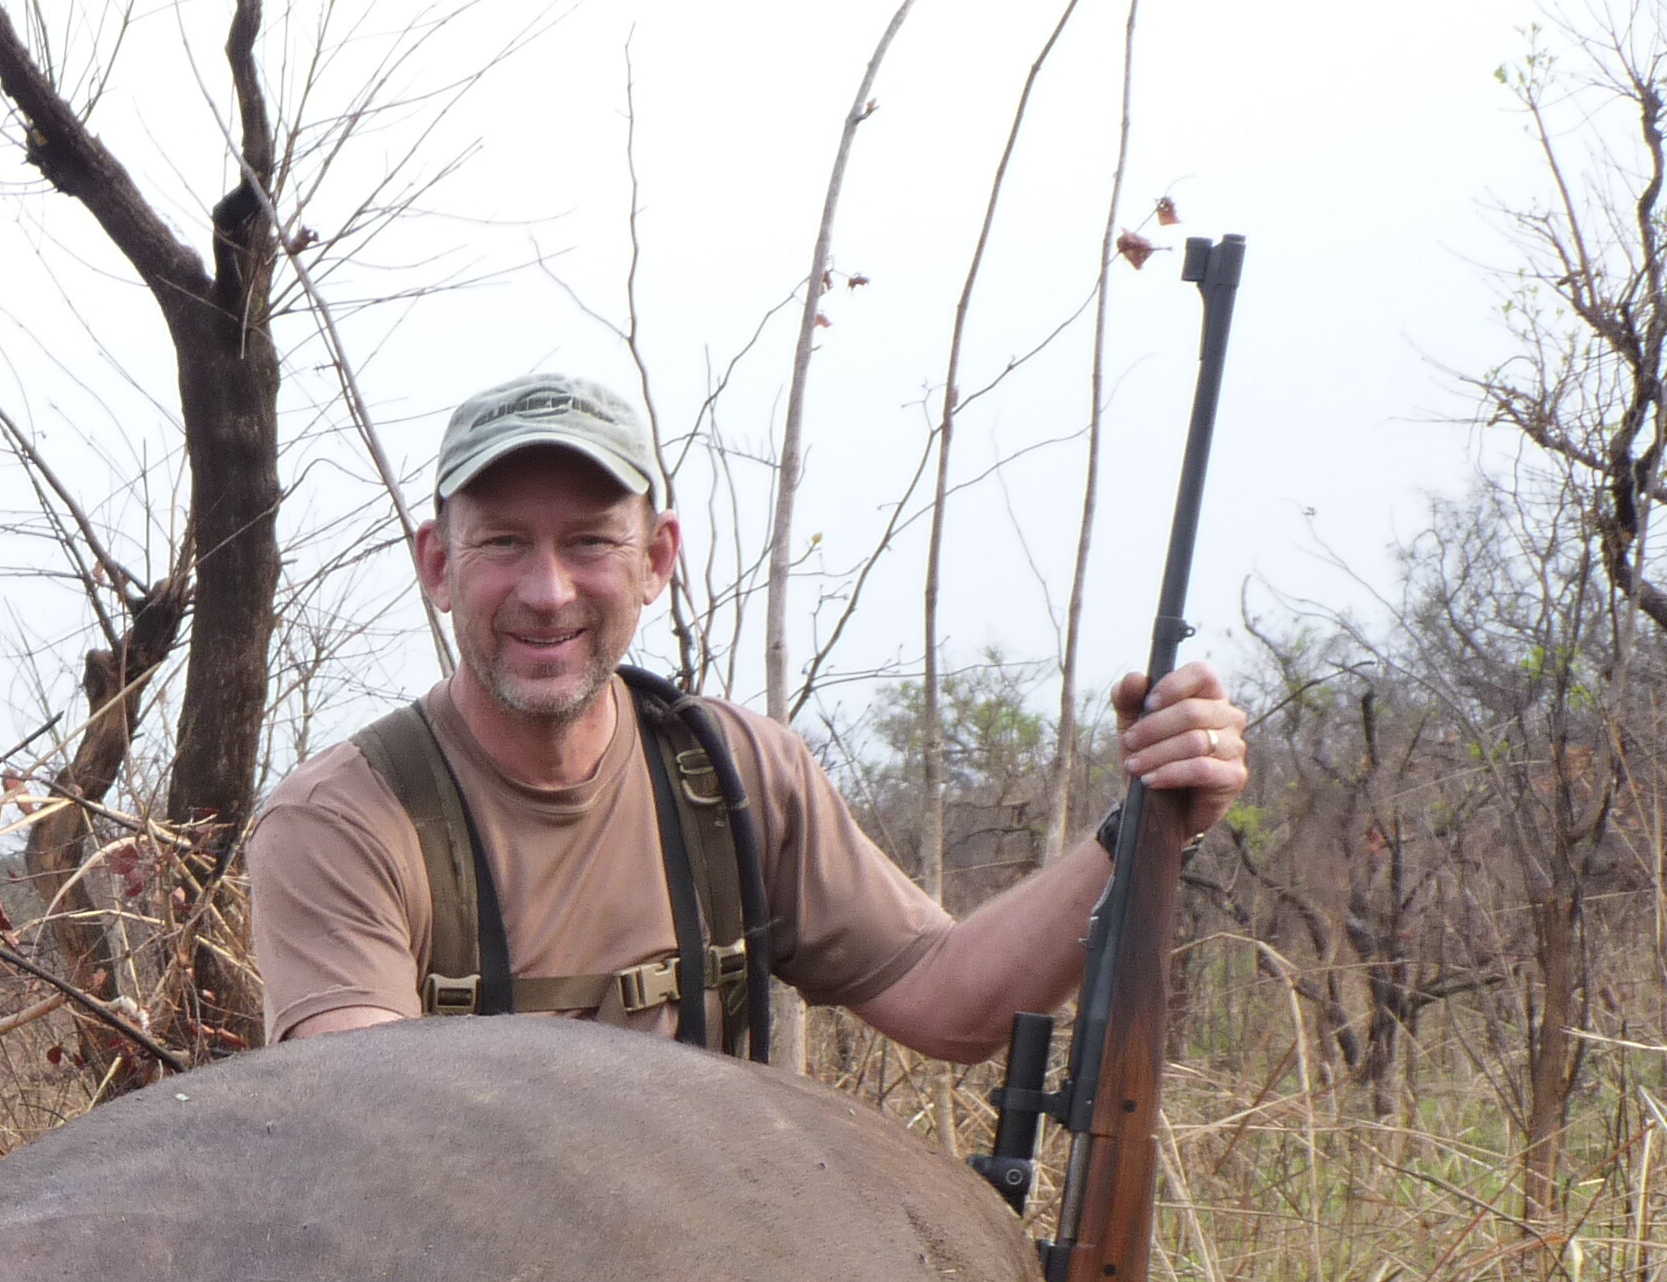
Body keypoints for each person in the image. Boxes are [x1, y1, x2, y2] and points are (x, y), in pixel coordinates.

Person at [247, 372, 1251, 1060]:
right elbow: (364, 1125)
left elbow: (951, 1004)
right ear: (437, 565)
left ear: (657, 558)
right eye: (503, 543)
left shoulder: (735, 777)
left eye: (592, 543)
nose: (547, 591)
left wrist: (1139, 827)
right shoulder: (343, 821)